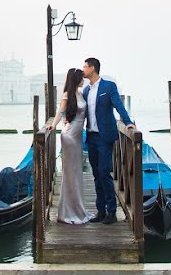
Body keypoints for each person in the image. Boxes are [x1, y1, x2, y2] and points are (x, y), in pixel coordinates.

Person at [82, 57, 134, 224]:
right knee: (96, 174)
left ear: (92, 68)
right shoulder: (86, 91)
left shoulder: (108, 86)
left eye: (85, 67)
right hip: (90, 137)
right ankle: (100, 210)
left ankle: (112, 211)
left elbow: (119, 105)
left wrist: (128, 122)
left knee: (104, 172)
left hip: (105, 137)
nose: (83, 70)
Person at [48, 68, 93, 224]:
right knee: (70, 174)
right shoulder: (67, 95)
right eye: (81, 78)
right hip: (69, 137)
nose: (84, 80)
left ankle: (78, 210)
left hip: (77, 137)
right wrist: (53, 126)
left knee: (76, 173)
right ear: (76, 79)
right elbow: (60, 113)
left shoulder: (80, 94)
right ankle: (68, 212)